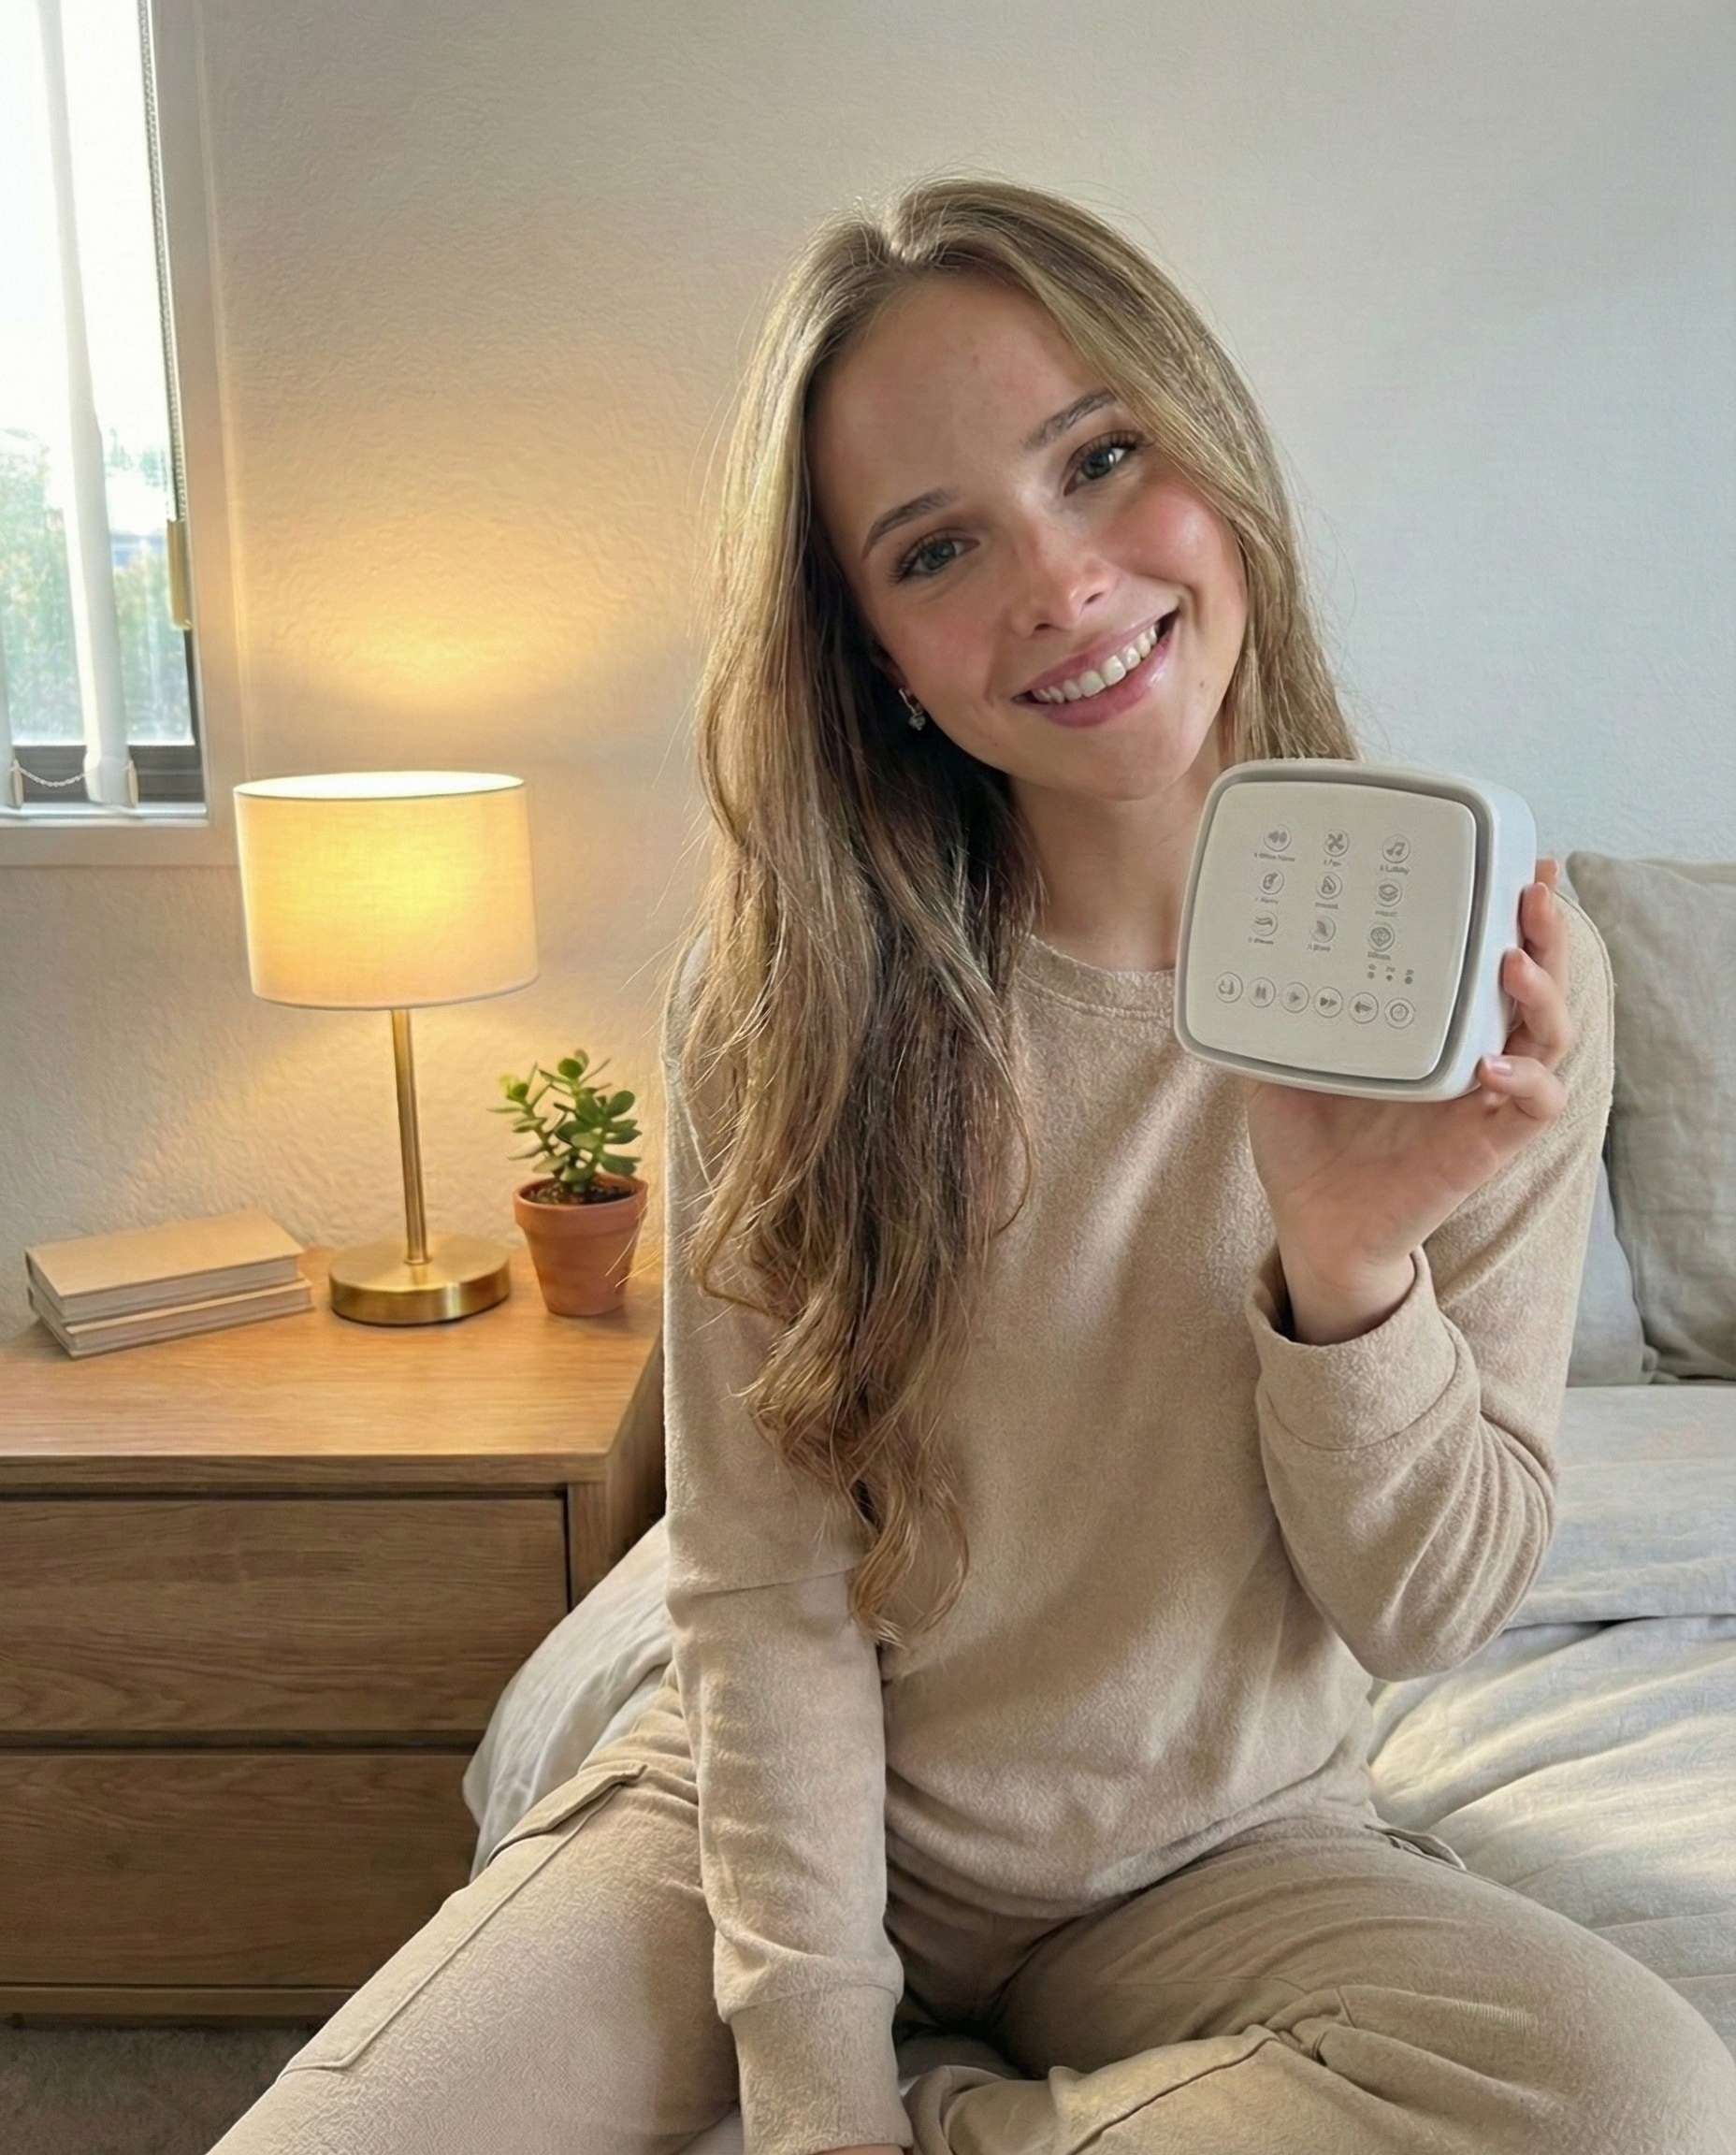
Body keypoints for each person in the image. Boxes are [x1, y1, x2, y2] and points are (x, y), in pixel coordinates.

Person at [210, 174, 1736, 2155]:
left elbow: (1428, 1612)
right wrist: (818, 2093)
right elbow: (762, 1584)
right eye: (939, 548)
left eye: (1099, 460)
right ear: (875, 657)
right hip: (765, 1826)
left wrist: (1347, 1270)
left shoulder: (1497, 969)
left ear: (1212, 452)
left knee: (1637, 2101)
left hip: (1217, 1856)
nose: (1062, 583)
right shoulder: (783, 997)